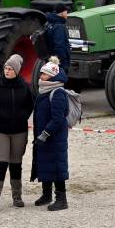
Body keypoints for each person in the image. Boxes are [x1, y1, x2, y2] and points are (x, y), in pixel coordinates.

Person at [0, 54, 34, 211]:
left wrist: (24, 116)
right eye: (6, 68)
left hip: (19, 131)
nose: (7, 71)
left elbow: (30, 104)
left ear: (17, 71)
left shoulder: (24, 86)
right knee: (1, 163)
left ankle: (17, 197)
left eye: (11, 69)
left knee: (16, 165)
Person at [31, 57, 70, 211]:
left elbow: (58, 118)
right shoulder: (44, 91)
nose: (41, 77)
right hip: (44, 137)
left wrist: (46, 133)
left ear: (52, 76)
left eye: (44, 75)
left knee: (57, 167)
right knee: (45, 164)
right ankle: (46, 194)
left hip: (54, 138)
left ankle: (62, 199)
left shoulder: (57, 92)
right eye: (41, 74)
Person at [44, 3, 70, 71]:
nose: (67, 13)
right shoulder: (59, 26)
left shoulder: (50, 23)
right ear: (62, 12)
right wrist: (64, 64)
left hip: (51, 59)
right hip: (59, 62)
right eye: (66, 11)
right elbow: (59, 46)